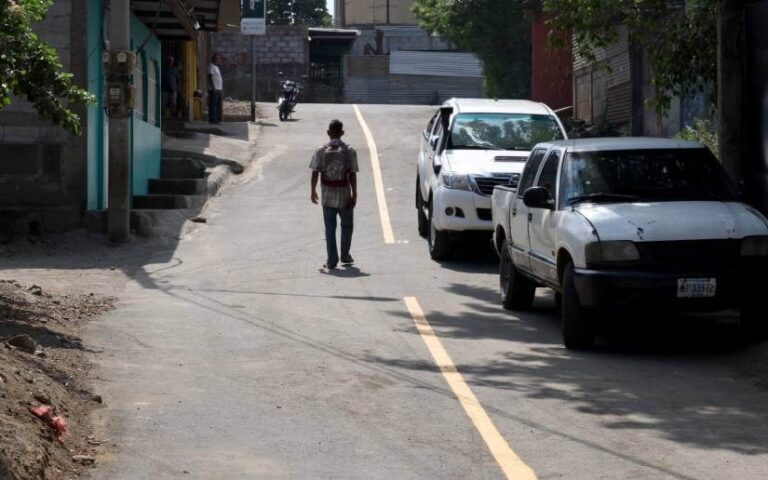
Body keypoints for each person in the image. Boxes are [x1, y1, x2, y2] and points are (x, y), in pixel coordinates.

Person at [310, 120, 359, 270]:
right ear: (342, 133)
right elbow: (352, 175)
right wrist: (354, 193)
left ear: (328, 133)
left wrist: (313, 190)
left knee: (330, 228)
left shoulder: (320, 150)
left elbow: (315, 173)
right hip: (344, 195)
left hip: (327, 196)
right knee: (347, 226)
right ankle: (345, 255)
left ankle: (332, 260)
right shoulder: (350, 150)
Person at [207, 53, 223, 124]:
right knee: (213, 104)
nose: (217, 59)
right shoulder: (211, 66)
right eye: (216, 58)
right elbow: (210, 77)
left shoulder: (217, 67)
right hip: (214, 89)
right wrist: (213, 88)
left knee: (218, 105)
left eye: (218, 58)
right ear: (213, 59)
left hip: (219, 89)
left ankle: (218, 119)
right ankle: (213, 119)